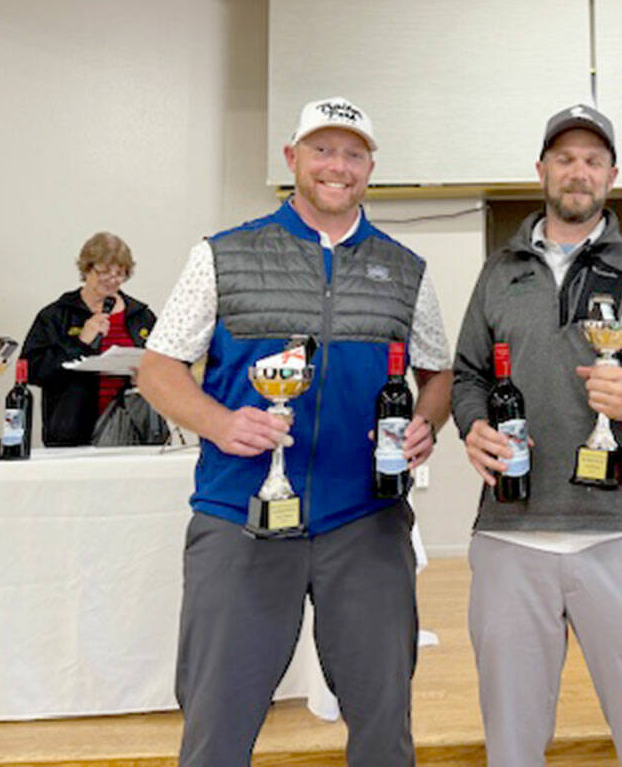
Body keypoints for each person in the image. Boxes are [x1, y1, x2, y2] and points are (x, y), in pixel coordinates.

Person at [137, 96, 452, 767]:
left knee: (384, 729)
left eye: (353, 153)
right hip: (239, 520)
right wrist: (220, 423)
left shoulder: (406, 270)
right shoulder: (222, 254)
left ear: (371, 167)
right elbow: (158, 368)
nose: (337, 166)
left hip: (366, 521)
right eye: (322, 149)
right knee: (217, 731)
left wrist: (426, 421)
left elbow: (440, 373)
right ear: (292, 159)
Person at [452, 104, 622, 767]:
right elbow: (466, 376)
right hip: (510, 533)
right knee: (511, 743)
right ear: (541, 170)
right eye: (565, 158)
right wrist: (472, 425)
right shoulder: (497, 272)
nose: (579, 172)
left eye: (593, 160)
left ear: (613, 175)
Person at [20, 232, 155, 446]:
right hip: (73, 434)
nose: (112, 280)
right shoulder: (57, 315)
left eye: (119, 274)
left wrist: (148, 378)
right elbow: (31, 371)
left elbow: (165, 366)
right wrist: (79, 343)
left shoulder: (141, 316)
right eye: (104, 272)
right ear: (86, 269)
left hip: (135, 431)